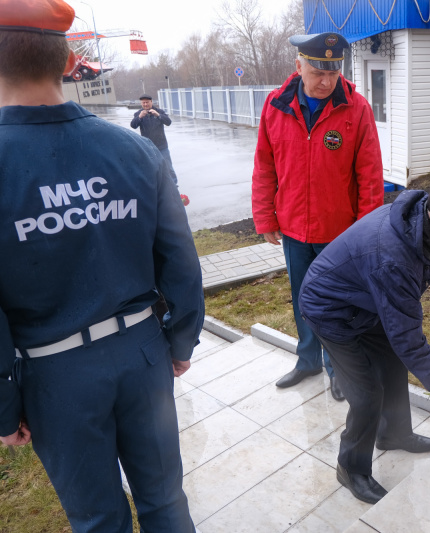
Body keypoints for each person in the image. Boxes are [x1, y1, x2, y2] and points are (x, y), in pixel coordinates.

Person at [0, 1, 205, 531]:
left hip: (55, 375)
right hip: (142, 355)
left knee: (98, 520)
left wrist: (4, 404)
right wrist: (180, 340)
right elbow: (180, 260)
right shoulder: (134, 150)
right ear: (69, 61)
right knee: (165, 501)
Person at [298, 179, 430, 504]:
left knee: (393, 365)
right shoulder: (393, 258)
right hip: (331, 311)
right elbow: (412, 344)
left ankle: (394, 434)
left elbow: (402, 341)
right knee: (366, 395)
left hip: (366, 300)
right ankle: (350, 468)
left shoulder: (419, 225)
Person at [252, 32, 383, 401]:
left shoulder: (356, 108)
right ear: (298, 66)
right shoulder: (275, 106)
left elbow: (370, 175)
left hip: (340, 233)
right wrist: (265, 217)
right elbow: (265, 166)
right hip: (294, 228)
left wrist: (367, 230)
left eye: (334, 71)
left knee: (338, 305)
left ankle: (338, 369)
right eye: (317, 71)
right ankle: (308, 360)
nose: (327, 81)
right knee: (301, 299)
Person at [131, 94, 188, 205]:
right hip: (147, 147)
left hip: (162, 146)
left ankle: (174, 189)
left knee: (168, 167)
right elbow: (133, 125)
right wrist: (139, 118)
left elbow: (169, 122)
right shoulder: (138, 113)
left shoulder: (159, 111)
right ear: (141, 104)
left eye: (147, 102)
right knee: (149, 168)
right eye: (143, 103)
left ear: (152, 102)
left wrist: (158, 115)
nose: (145, 104)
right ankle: (152, 190)